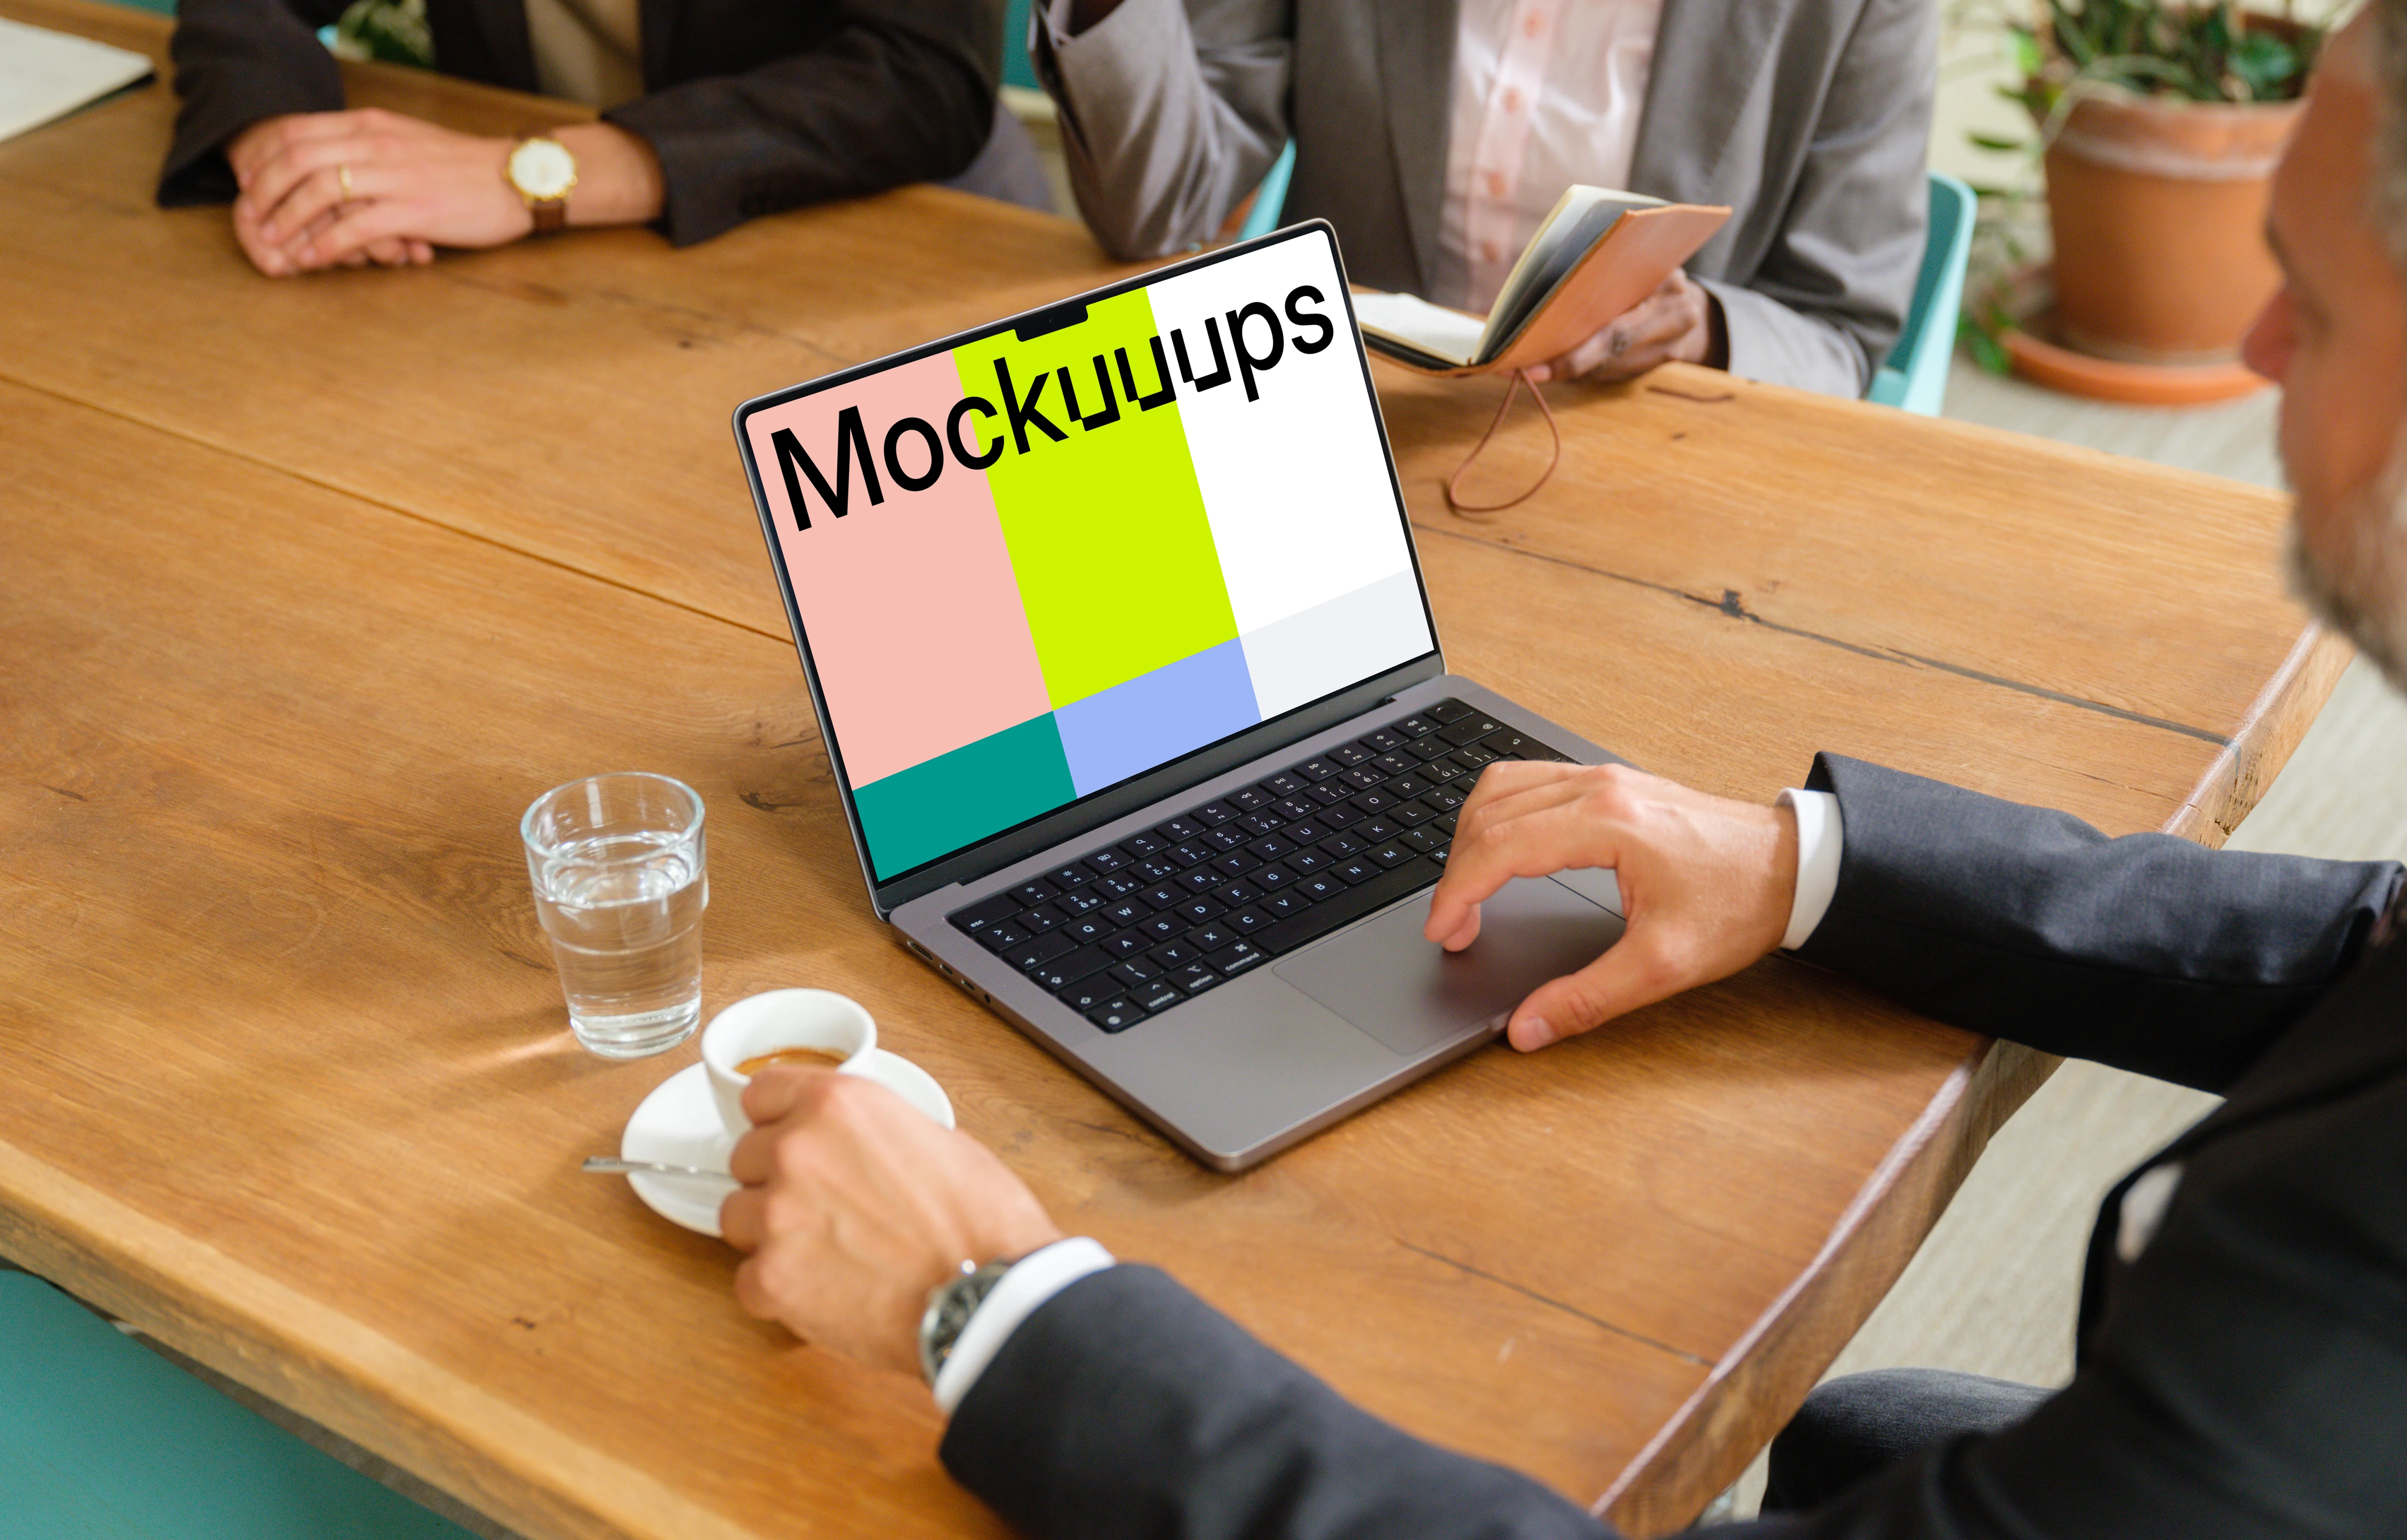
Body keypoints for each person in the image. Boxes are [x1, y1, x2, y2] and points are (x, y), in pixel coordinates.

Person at [716, 5, 2407, 1535]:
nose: (2256, 351)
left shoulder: (2341, 1270)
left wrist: (991, 1310)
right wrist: (1809, 862)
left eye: (2312, 304)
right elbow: (2378, 945)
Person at [1022, 0, 1935, 398]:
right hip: (1346, 424)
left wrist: (1706, 330)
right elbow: (1161, 207)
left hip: (1639, 460)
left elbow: (1840, 331)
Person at [159, 0, 1036, 277]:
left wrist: (532, 179)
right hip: (569, 273)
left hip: (893, 225)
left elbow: (919, 75)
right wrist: (290, 154)